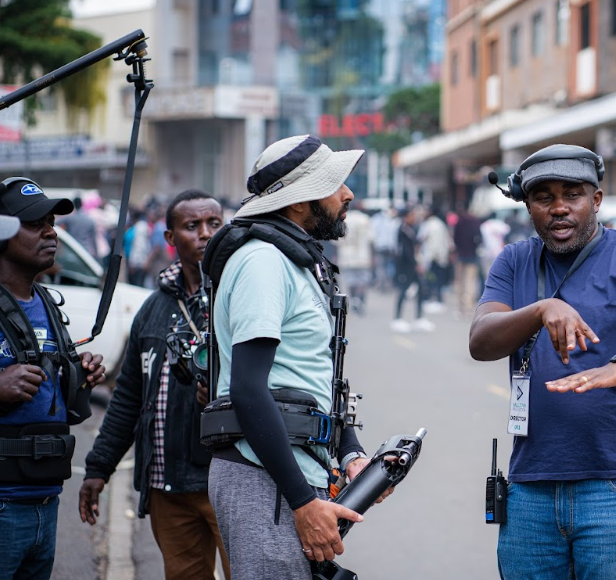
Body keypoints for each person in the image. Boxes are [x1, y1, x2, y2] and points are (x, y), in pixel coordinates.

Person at [468, 145, 616, 580]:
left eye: (572, 194)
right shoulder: (514, 261)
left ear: (596, 200)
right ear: (528, 206)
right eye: (544, 198)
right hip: (531, 487)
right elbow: (481, 341)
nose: (559, 208)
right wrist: (540, 310)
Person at [204, 135, 380, 578]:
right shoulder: (263, 262)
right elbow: (247, 389)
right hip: (264, 477)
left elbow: (309, 375)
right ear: (300, 203)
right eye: (335, 184)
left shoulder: (295, 261)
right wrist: (302, 502)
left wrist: (351, 453)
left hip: (289, 474)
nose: (348, 194)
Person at [78, 190, 230, 580]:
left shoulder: (237, 297)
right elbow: (128, 398)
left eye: (214, 224)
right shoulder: (153, 309)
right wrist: (98, 469)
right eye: (192, 226)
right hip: (167, 485)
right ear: (170, 238)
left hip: (228, 482)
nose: (205, 234)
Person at [0, 178, 107, 580]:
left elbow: (60, 403)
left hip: (46, 502)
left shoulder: (47, 303)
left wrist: (80, 379)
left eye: (51, 221)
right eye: (34, 223)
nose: (50, 232)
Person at [391, 207, 434, 333]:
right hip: (406, 267)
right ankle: (397, 318)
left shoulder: (410, 229)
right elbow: (406, 252)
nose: (414, 218)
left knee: (420, 289)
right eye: (411, 215)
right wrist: (416, 264)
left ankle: (419, 318)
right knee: (403, 290)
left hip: (412, 265)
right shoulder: (402, 230)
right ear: (405, 217)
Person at [336, 202, 373, 315]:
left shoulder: (344, 219)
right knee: (362, 280)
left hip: (346, 256)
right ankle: (359, 300)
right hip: (363, 255)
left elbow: (337, 240)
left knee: (350, 280)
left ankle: (354, 300)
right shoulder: (365, 219)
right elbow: (371, 239)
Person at [452, 206, 482, 318]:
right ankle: (468, 307)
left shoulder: (458, 222)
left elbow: (455, 238)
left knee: (459, 282)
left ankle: (460, 308)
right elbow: (479, 238)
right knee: (470, 282)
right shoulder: (475, 222)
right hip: (472, 255)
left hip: (460, 255)